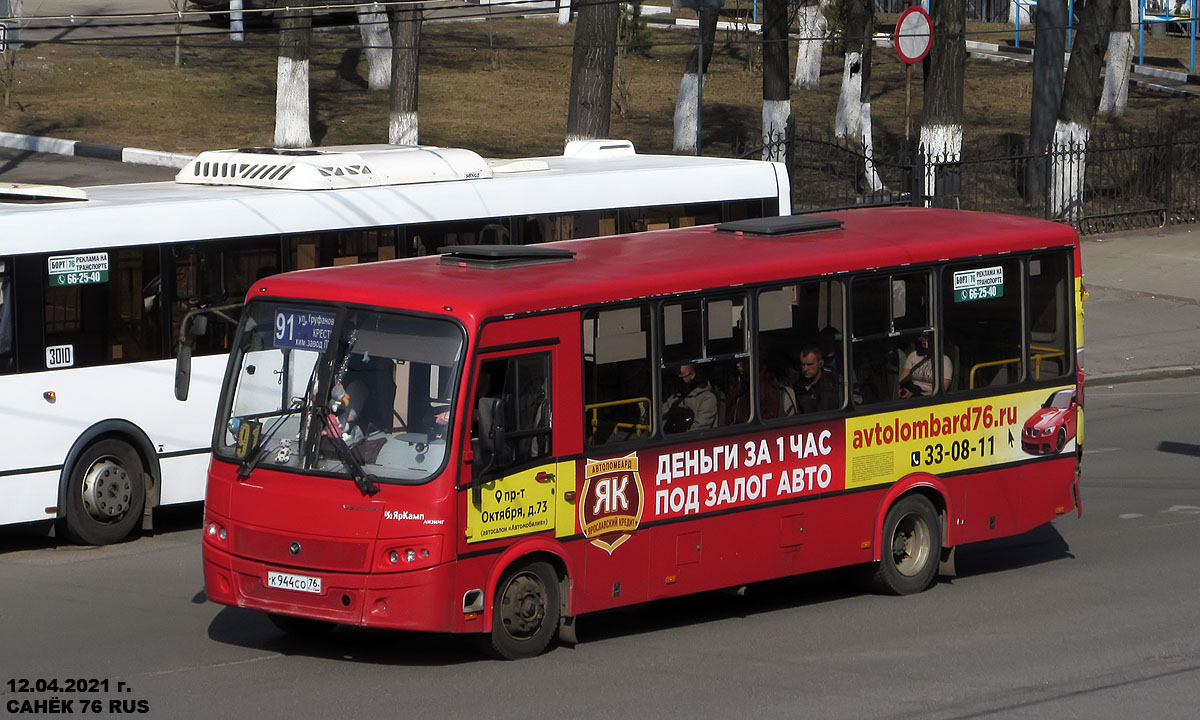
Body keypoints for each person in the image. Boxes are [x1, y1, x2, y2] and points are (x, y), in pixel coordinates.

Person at [662, 363, 718, 432]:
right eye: (677, 375)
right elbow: (661, 418)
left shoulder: (708, 398)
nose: (679, 379)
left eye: (682, 375)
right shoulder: (675, 398)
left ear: (692, 375)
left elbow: (698, 431)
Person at [898, 330, 952, 398]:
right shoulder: (913, 355)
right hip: (912, 390)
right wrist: (899, 389)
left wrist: (915, 396)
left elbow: (942, 389)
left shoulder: (944, 361)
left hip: (929, 396)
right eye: (923, 337)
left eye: (927, 338)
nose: (923, 339)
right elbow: (903, 377)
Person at [795, 344, 840, 413]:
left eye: (809, 364)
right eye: (802, 365)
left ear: (820, 363)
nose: (805, 369)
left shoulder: (832, 384)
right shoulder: (797, 387)